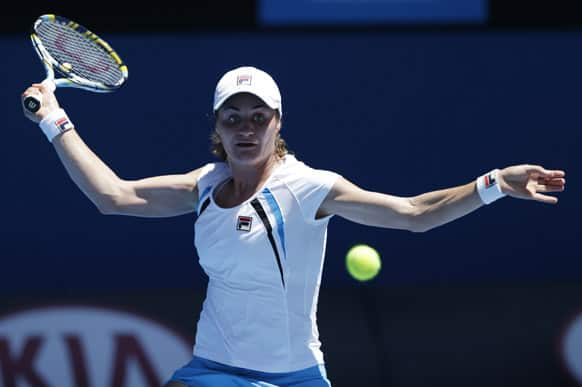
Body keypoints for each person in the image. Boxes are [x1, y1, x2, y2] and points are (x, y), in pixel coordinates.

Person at [21, 65, 565, 387]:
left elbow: (415, 214)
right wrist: (53, 120)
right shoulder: (203, 186)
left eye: (259, 117)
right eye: (233, 117)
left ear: (278, 124)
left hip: (293, 379)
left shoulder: (309, 188)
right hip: (213, 372)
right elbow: (111, 196)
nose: (246, 128)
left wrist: (493, 183)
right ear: (217, 126)